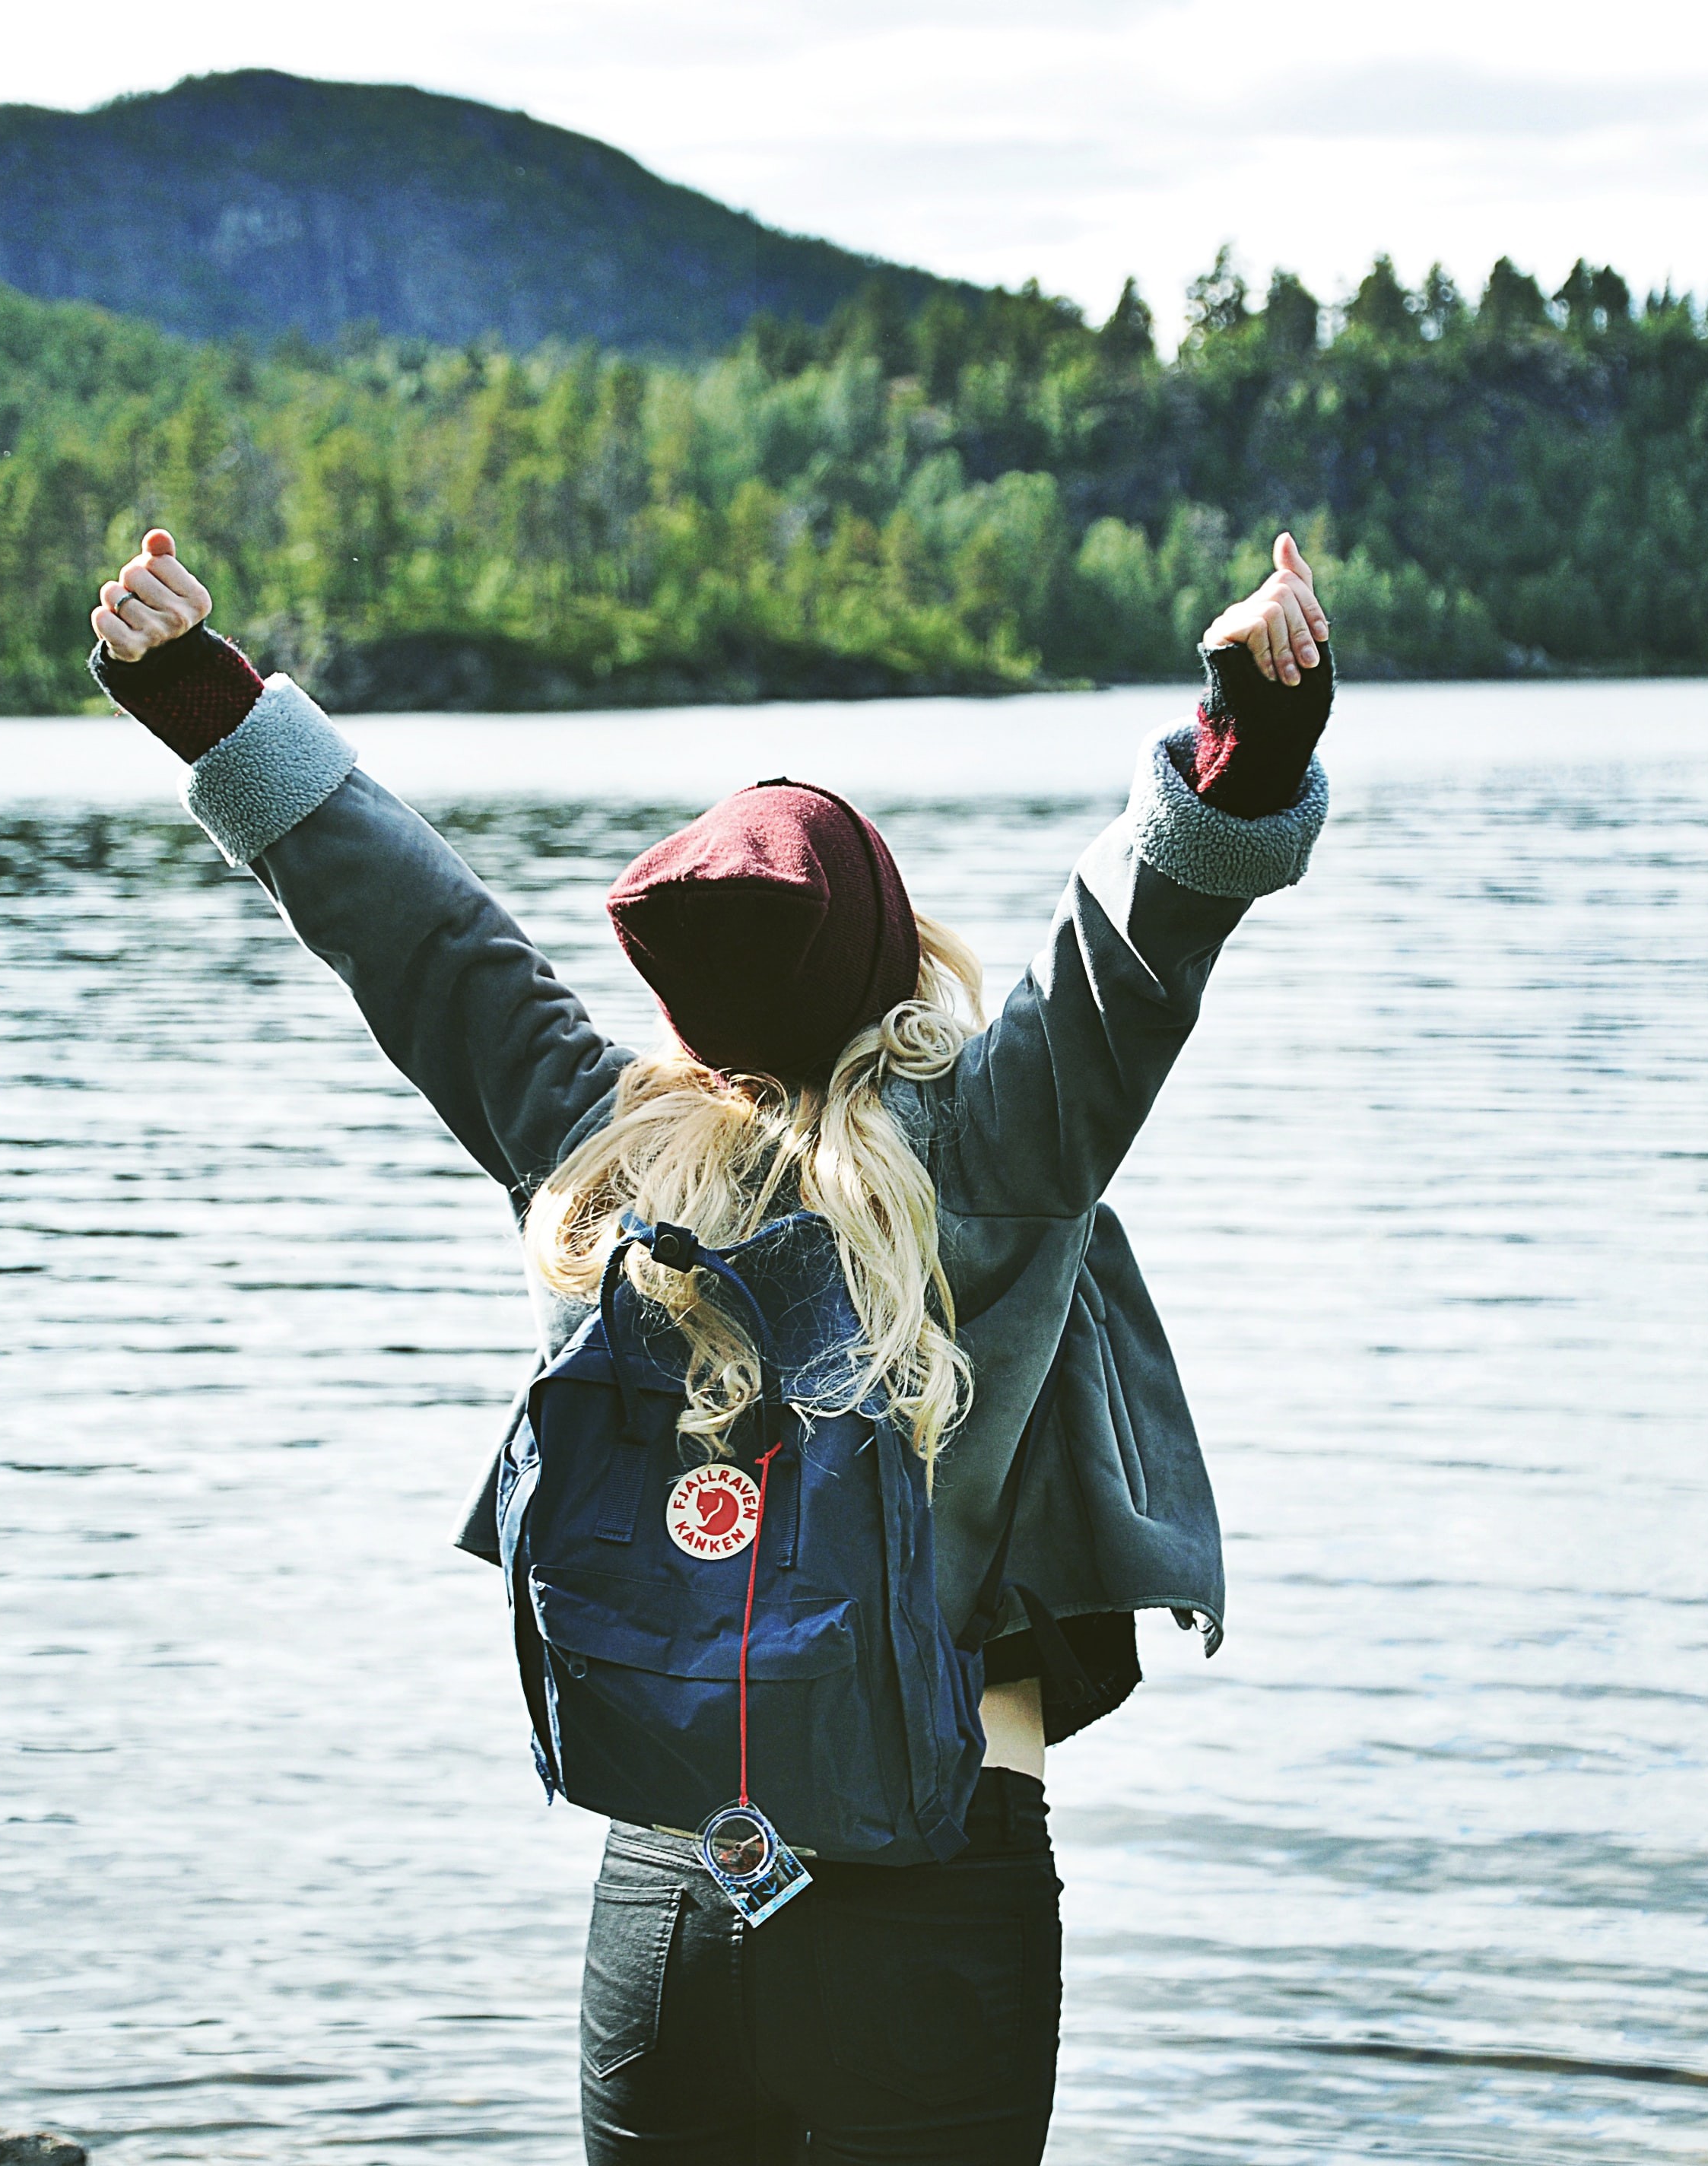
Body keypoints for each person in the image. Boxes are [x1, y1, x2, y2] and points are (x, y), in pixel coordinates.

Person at [88, 528, 1334, 2165]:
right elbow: (1142, 933)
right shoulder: (1001, 1136)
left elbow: (414, 933)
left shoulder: (602, 1148)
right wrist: (1251, 723)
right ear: (893, 941)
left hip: (671, 1891)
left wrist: (201, 696)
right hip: (933, 1888)